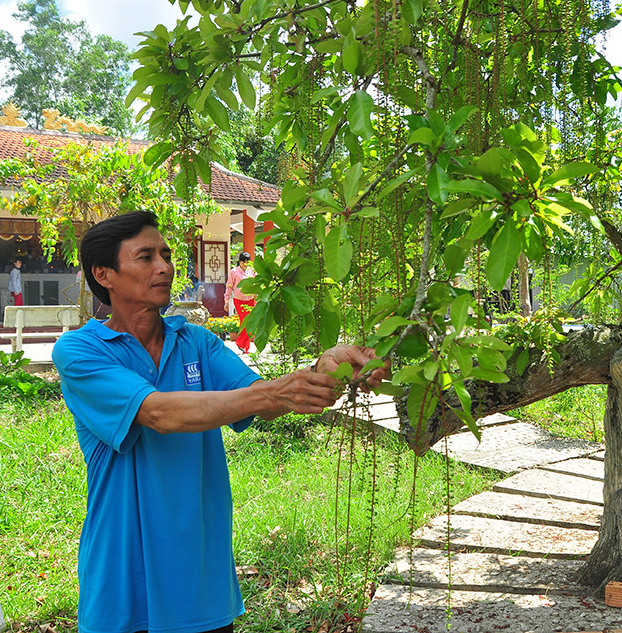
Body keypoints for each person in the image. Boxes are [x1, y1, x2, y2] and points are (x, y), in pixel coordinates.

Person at [52, 211, 387, 633]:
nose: (165, 267)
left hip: (198, 583)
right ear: (105, 274)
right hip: (122, 581)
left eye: (166, 254)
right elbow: (158, 412)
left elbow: (261, 399)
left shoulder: (196, 341)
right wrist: (272, 392)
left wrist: (326, 369)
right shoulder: (81, 351)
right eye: (145, 257)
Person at [224, 251, 256, 352]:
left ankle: (244, 345)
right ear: (239, 261)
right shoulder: (234, 272)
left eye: (247, 262)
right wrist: (226, 301)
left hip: (250, 299)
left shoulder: (252, 271)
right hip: (239, 300)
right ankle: (242, 344)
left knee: (250, 322)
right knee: (244, 321)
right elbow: (229, 286)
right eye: (243, 262)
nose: (245, 264)